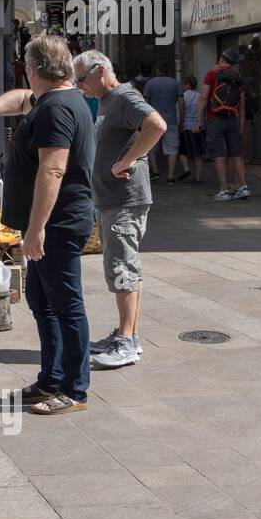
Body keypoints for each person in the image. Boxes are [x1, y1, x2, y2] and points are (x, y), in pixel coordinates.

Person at [0, 36, 95, 415]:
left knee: (67, 305)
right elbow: (22, 98)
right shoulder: (54, 99)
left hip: (56, 224)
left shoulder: (57, 109)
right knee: (43, 301)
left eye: (26, 64)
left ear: (34, 68)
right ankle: (50, 379)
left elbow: (53, 168)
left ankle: (74, 390)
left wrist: (37, 228)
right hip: (47, 224)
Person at [73, 51, 167, 369]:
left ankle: (126, 341)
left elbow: (156, 125)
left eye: (81, 79)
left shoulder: (123, 96)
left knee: (123, 269)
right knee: (126, 267)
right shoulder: (109, 99)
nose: (79, 86)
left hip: (125, 198)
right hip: (116, 198)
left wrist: (127, 161)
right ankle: (128, 335)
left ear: (100, 71)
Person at [197, 49, 249, 201]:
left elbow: (204, 97)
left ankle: (224, 190)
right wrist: (240, 125)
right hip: (233, 118)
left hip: (215, 119)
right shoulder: (237, 77)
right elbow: (242, 103)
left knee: (219, 155)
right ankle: (243, 187)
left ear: (221, 59)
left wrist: (197, 120)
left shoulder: (212, 74)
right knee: (236, 154)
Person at [142, 61, 185, 183]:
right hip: (170, 120)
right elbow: (181, 103)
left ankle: (155, 171)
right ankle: (170, 176)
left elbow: (144, 102)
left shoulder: (150, 83)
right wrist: (182, 120)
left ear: (157, 71)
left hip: (154, 120)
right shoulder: (175, 83)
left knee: (150, 147)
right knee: (172, 149)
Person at [178, 75, 205, 184]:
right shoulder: (199, 95)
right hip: (199, 126)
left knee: (182, 150)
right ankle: (198, 177)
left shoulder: (183, 96)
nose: (182, 86)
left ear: (188, 84)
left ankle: (187, 168)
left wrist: (180, 123)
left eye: (183, 83)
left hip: (187, 125)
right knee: (198, 153)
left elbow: (180, 111)